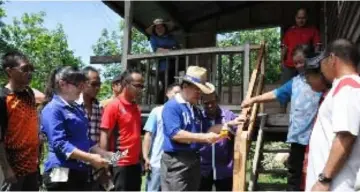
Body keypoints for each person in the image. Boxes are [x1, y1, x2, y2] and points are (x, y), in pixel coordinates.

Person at [241, 44, 321, 191]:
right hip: (298, 136)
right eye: (296, 63)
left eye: (301, 62)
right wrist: (253, 100)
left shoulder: (320, 80)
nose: (298, 66)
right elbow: (275, 94)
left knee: (314, 171)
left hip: (315, 136)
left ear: (309, 60)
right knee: (294, 172)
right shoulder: (295, 82)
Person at [160, 66, 242, 191]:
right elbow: (176, 134)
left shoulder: (195, 110)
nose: (199, 94)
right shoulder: (172, 106)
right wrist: (205, 138)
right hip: (177, 160)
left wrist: (229, 124)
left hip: (194, 160)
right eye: (197, 90)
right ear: (185, 86)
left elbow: (205, 132)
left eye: (200, 91)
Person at [40, 66, 111, 191]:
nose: (82, 89)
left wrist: (103, 153)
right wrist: (90, 158)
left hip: (79, 170)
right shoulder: (53, 109)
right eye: (79, 85)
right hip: (59, 169)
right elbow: (59, 144)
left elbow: (85, 139)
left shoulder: (77, 109)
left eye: (84, 85)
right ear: (63, 84)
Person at [306, 39, 360, 191]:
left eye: (322, 62)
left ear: (332, 59)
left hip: (339, 185)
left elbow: (346, 136)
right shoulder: (343, 87)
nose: (321, 69)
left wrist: (324, 179)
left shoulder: (348, 87)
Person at [99, 69, 144, 191]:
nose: (140, 89)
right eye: (137, 85)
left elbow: (136, 135)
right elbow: (104, 135)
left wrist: (141, 158)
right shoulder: (114, 106)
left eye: (142, 86)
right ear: (126, 84)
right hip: (119, 161)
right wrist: (105, 163)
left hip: (135, 163)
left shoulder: (135, 107)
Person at [0, 51, 39, 191]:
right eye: (25, 69)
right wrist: (6, 169)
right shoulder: (3, 98)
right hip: (12, 169)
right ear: (9, 71)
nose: (29, 73)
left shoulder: (29, 94)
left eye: (31, 69)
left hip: (32, 166)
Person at [300, 52, 332, 190]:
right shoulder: (324, 97)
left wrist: (325, 178)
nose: (306, 81)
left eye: (308, 76)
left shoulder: (335, 97)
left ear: (321, 75)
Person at [142, 83, 181, 192]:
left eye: (180, 93)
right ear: (168, 94)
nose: (178, 96)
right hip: (157, 162)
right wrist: (146, 157)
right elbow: (148, 135)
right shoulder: (157, 111)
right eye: (176, 93)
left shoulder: (182, 112)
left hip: (174, 164)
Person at [199, 91, 238, 191]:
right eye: (206, 103)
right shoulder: (198, 118)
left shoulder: (228, 116)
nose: (210, 105)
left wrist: (231, 130)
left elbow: (239, 131)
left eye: (213, 102)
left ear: (217, 100)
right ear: (202, 102)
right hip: (203, 169)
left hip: (224, 169)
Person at [76, 66, 106, 190]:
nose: (97, 88)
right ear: (82, 84)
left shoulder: (99, 109)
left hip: (95, 168)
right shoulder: (71, 107)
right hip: (75, 165)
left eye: (99, 84)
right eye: (94, 84)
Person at [146, 18, 184, 103]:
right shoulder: (153, 38)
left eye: (161, 27)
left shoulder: (171, 37)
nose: (159, 29)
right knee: (165, 85)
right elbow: (157, 50)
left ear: (165, 28)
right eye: (157, 28)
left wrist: (168, 50)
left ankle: (170, 103)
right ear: (154, 30)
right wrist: (170, 50)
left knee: (173, 85)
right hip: (162, 67)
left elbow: (178, 48)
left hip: (174, 65)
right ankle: (159, 103)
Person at [281, 8, 321, 83]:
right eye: (299, 18)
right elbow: (285, 48)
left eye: (303, 18)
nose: (301, 20)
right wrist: (282, 61)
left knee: (306, 87)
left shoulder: (313, 30)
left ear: (307, 18)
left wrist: (314, 63)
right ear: (295, 18)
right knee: (286, 89)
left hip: (305, 66)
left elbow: (317, 47)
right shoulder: (289, 31)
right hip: (289, 66)